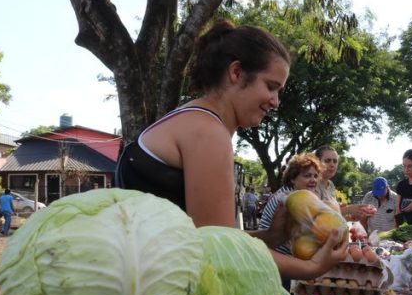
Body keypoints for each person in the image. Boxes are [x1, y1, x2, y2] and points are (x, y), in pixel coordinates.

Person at [116, 20, 346, 280]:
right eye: (271, 87)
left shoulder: (193, 119)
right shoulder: (209, 133)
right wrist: (309, 268)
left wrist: (268, 236)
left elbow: (202, 234)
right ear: (236, 72)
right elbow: (217, 248)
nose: (276, 102)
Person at [258, 153, 322, 295]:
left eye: (315, 175)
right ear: (293, 178)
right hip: (274, 260)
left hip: (277, 258)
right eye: (307, 176)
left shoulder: (295, 195)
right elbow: (297, 234)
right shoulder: (288, 198)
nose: (313, 180)